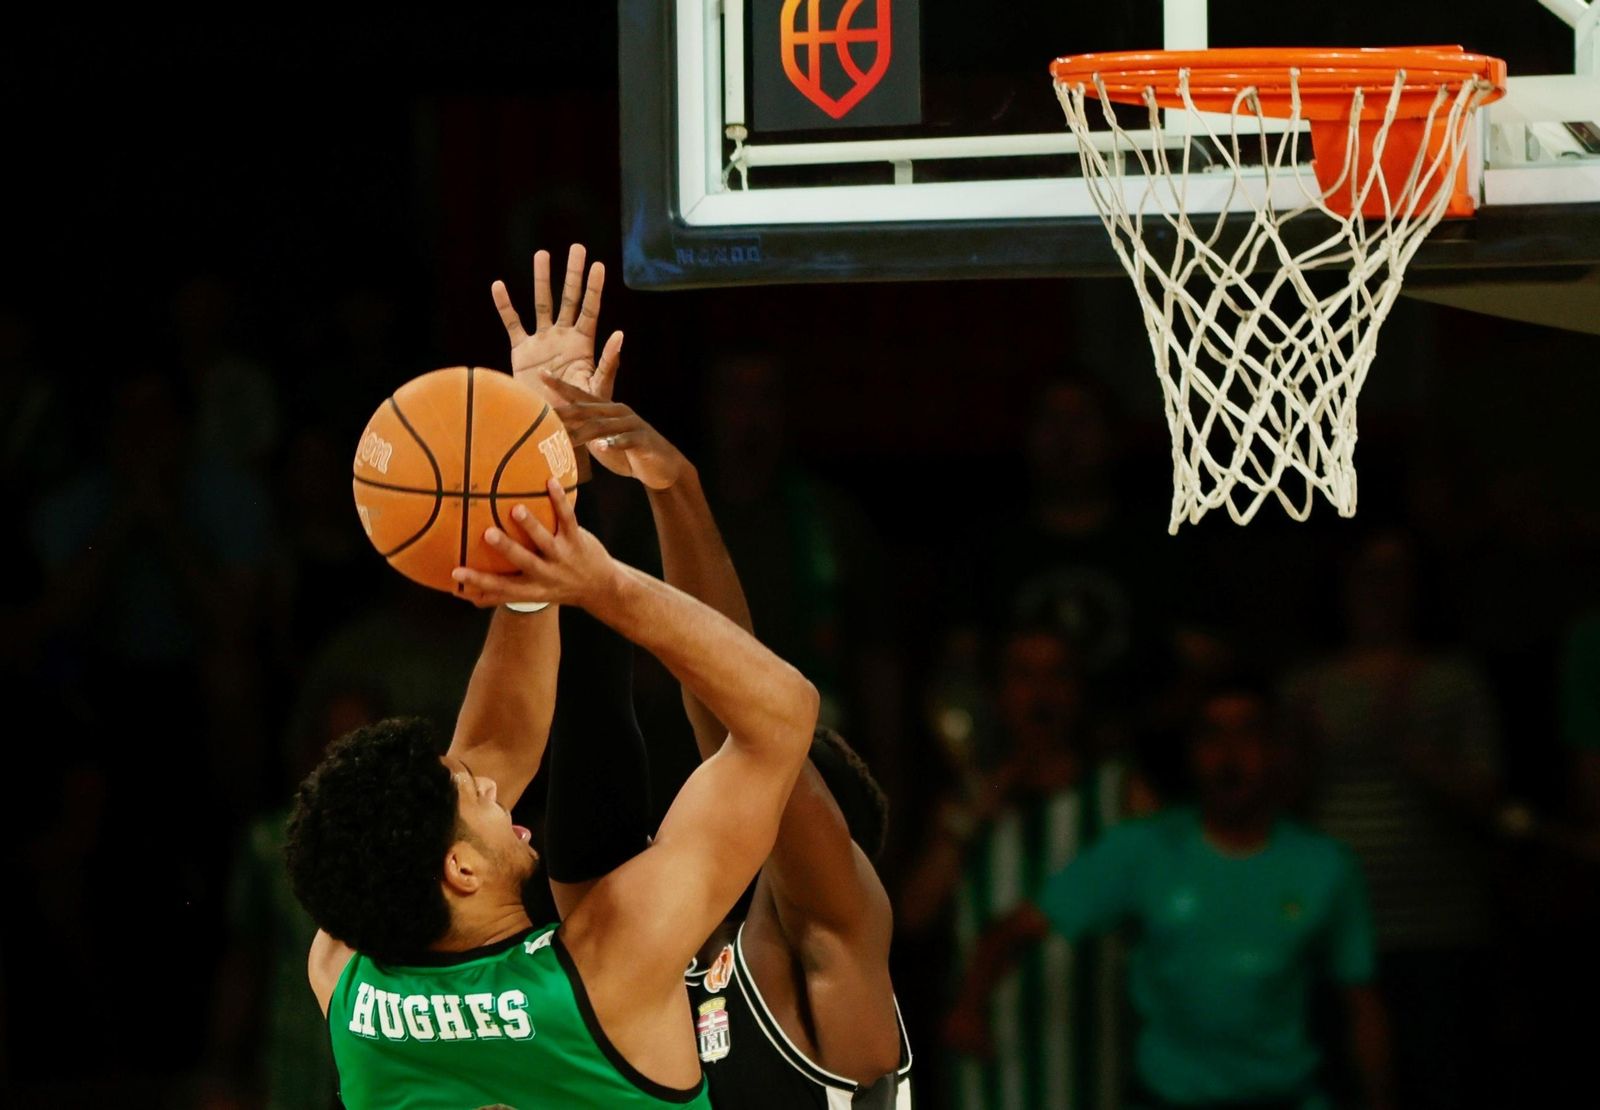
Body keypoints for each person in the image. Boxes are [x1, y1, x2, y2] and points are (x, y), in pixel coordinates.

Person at [286, 251, 821, 1108]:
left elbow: (497, 743)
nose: (496, 789)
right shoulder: (610, 963)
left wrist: (534, 484)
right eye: (472, 795)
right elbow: (783, 716)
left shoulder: (348, 978)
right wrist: (602, 586)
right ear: (458, 871)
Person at [496, 244, 912, 1105]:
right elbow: (595, 715)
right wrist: (551, 462)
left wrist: (676, 485)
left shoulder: (831, 952)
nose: (735, 785)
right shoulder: (667, 950)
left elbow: (740, 716)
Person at [943, 678, 1393, 1110]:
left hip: (1287, 1097)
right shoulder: (1145, 847)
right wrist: (969, 1007)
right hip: (1168, 1098)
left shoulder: (1325, 865)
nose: (1229, 754)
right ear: (1191, 750)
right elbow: (1017, 927)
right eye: (1212, 735)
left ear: (1276, 749)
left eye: (1248, 733)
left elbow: (1362, 1006)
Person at [897, 620, 1135, 1110]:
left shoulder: (1119, 795)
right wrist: (967, 823)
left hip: (1096, 1063)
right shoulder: (966, 799)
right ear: (998, 693)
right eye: (1023, 675)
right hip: (987, 1071)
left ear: (1078, 692)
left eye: (1058, 675)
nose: (1041, 692)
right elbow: (913, 914)